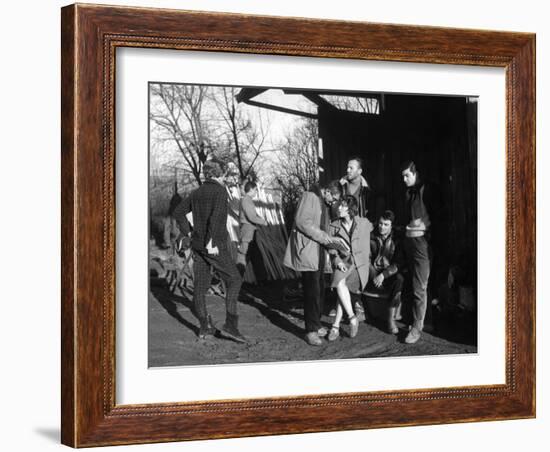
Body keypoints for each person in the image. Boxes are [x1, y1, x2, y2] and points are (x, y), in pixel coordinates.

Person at [172, 160, 247, 343]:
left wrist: (188, 232)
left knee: (200, 287)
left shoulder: (196, 192)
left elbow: (178, 212)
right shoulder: (220, 191)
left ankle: (205, 328)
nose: (225, 177)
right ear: (219, 174)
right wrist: (212, 241)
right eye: (224, 173)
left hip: (198, 246)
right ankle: (230, 325)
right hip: (214, 246)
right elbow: (216, 218)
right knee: (235, 279)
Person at [283, 182, 338, 346]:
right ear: (327, 191)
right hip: (308, 251)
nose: (332, 202)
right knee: (311, 292)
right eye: (333, 198)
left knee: (320, 289)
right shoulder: (310, 197)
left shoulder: (322, 202)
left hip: (318, 251)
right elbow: (302, 221)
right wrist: (322, 236)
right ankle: (310, 331)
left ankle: (317, 323)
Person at [400, 161, 440, 344]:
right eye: (403, 176)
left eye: (407, 175)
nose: (404, 179)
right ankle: (426, 322)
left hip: (422, 241)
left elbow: (438, 215)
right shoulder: (409, 193)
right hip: (410, 241)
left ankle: (416, 328)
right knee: (416, 283)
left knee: (420, 286)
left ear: (416, 174)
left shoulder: (426, 190)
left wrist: (428, 239)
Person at [326, 196, 373, 341]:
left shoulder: (363, 223)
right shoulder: (333, 225)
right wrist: (337, 260)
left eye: (343, 206)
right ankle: (352, 319)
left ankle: (335, 326)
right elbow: (330, 247)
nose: (339, 208)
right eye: (339, 205)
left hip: (359, 266)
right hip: (344, 263)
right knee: (341, 284)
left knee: (342, 287)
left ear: (350, 209)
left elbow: (374, 228)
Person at [339, 156, 373, 319]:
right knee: (343, 263)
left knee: (360, 265)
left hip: (360, 232)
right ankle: (342, 303)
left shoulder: (366, 190)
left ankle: (359, 305)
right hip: (345, 229)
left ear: (359, 171)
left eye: (351, 168)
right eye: (347, 167)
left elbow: (370, 213)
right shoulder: (341, 186)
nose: (347, 170)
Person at [368, 210, 405, 335]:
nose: (381, 227)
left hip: (388, 271)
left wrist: (383, 275)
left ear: (391, 226)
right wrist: (374, 273)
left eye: (385, 224)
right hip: (373, 270)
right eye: (380, 223)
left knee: (399, 280)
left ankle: (390, 320)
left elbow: (399, 263)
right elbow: (366, 258)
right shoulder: (371, 236)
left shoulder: (397, 239)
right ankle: (360, 309)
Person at [236, 181, 267, 274]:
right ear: (251, 189)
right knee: (243, 255)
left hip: (250, 230)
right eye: (255, 190)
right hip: (248, 230)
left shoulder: (247, 200)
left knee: (253, 255)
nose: (256, 192)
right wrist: (263, 221)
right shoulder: (247, 200)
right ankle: (236, 279)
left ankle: (261, 279)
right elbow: (251, 217)